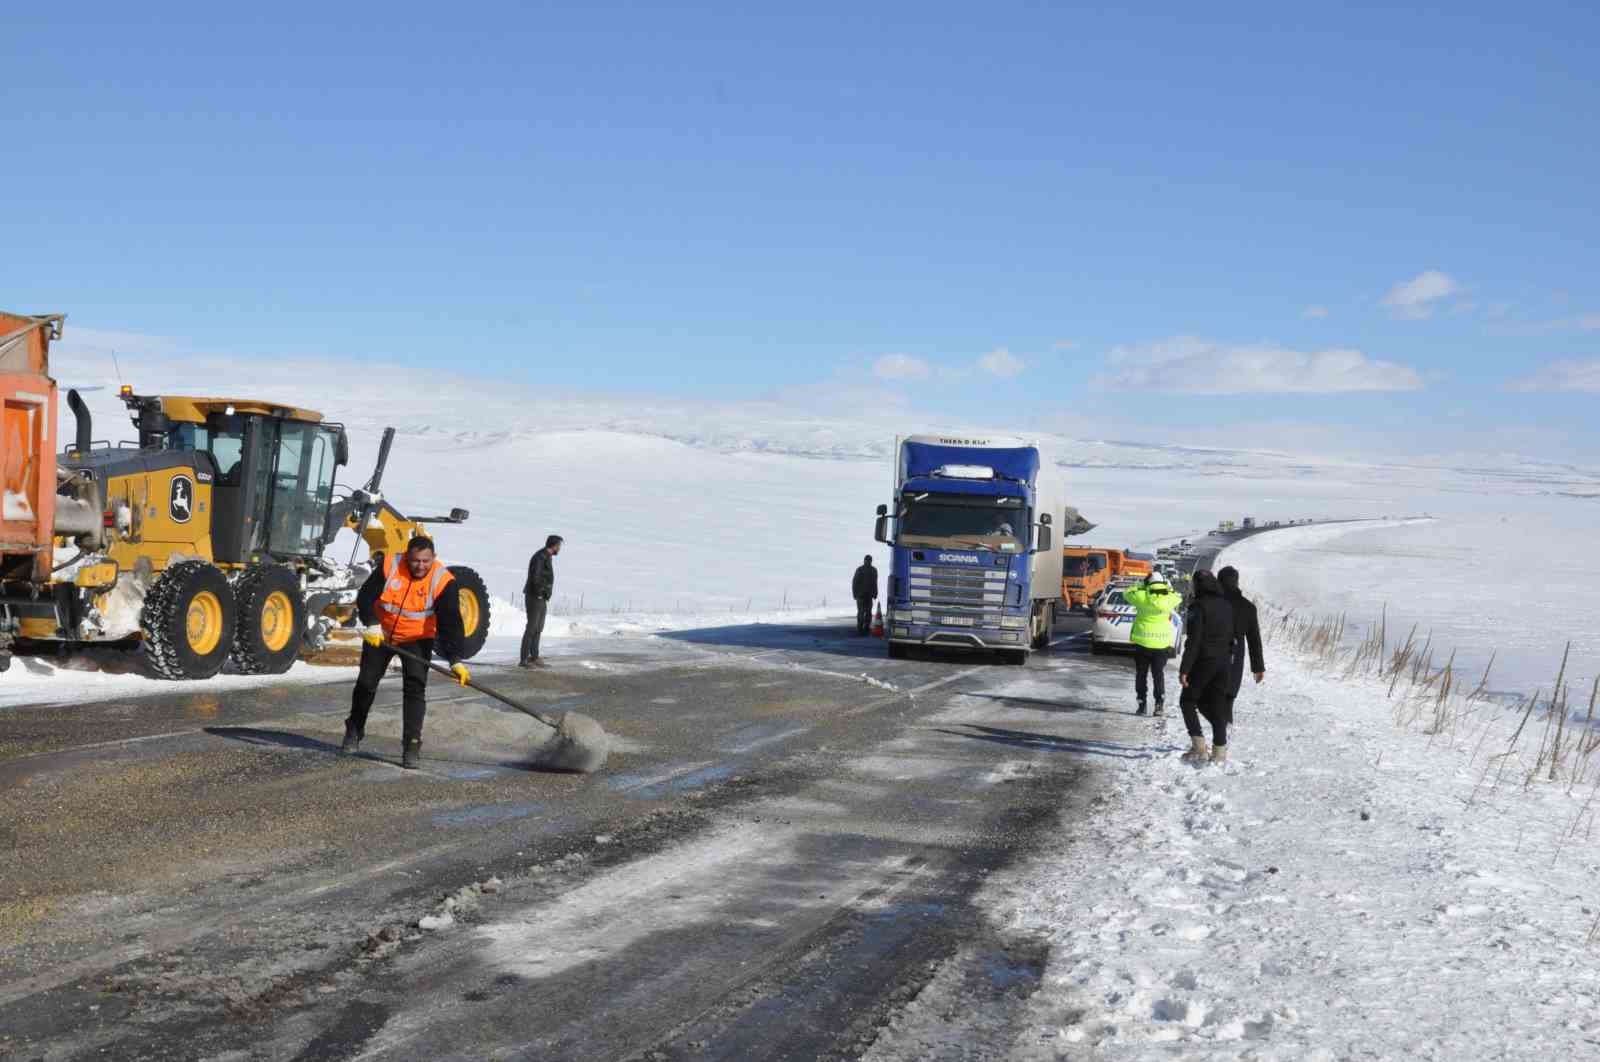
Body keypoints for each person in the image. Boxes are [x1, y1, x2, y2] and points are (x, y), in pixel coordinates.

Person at [341, 535, 469, 769]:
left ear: (434, 558)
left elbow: (451, 621)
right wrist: (371, 623)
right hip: (381, 633)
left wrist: (455, 659)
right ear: (407, 557)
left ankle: (411, 745)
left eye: (426, 561)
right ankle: (354, 730)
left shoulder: (443, 581)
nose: (420, 566)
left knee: (415, 688)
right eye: (415, 560)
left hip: (417, 639)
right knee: (366, 683)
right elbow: (367, 595)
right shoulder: (390, 565)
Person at [1177, 569, 1236, 765]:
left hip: (1204, 661)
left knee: (1187, 701)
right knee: (1215, 705)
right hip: (1224, 662)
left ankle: (1199, 747)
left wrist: (1185, 669)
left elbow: (1194, 640)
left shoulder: (1198, 607)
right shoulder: (1227, 605)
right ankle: (1219, 752)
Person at [1122, 569, 1183, 716]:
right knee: (1158, 675)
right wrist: (1167, 587)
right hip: (1161, 644)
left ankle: (1141, 705)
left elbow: (1127, 593)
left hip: (1142, 643)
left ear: (1148, 583)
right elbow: (1178, 596)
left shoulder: (1142, 596)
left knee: (1141, 675)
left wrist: (1141, 585)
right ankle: (1159, 705)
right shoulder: (1169, 598)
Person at [1217, 566, 1266, 723]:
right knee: (1228, 698)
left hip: (1211, 654)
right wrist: (1258, 668)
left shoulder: (1211, 603)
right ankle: (1222, 738)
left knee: (1212, 697)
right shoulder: (1248, 607)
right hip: (1235, 656)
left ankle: (1214, 738)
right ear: (1237, 582)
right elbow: (1254, 640)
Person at [521, 534, 563, 667]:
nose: (559, 549)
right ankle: (523, 659)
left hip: (541, 597)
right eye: (559, 546)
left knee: (539, 628)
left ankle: (534, 657)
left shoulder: (547, 556)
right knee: (531, 628)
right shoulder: (540, 557)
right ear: (554, 545)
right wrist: (539, 593)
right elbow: (535, 577)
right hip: (535, 596)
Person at [852, 554, 878, 635]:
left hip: (867, 595)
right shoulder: (861, 570)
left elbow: (874, 583)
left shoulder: (872, 570)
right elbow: (855, 582)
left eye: (869, 560)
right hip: (861, 595)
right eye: (867, 560)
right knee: (862, 612)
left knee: (867, 612)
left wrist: (875, 593)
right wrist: (855, 594)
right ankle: (860, 628)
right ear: (864, 560)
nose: (868, 562)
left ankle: (865, 627)